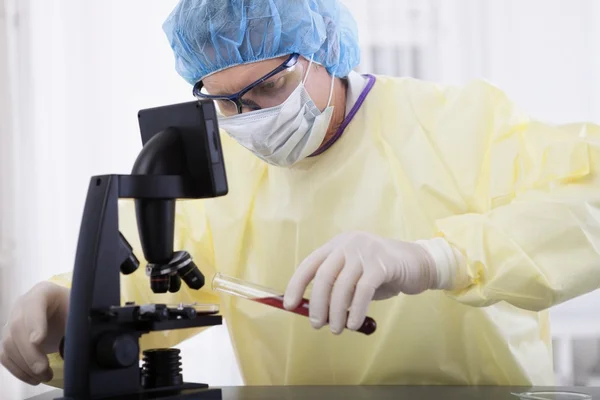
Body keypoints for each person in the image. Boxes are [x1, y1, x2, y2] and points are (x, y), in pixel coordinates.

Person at [2, 0, 600, 389]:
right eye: (226, 102)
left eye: (273, 86)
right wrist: (69, 307)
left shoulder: (458, 123)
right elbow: (158, 278)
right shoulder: (227, 171)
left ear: (323, 46)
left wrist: (434, 259)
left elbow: (589, 204)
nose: (251, 119)